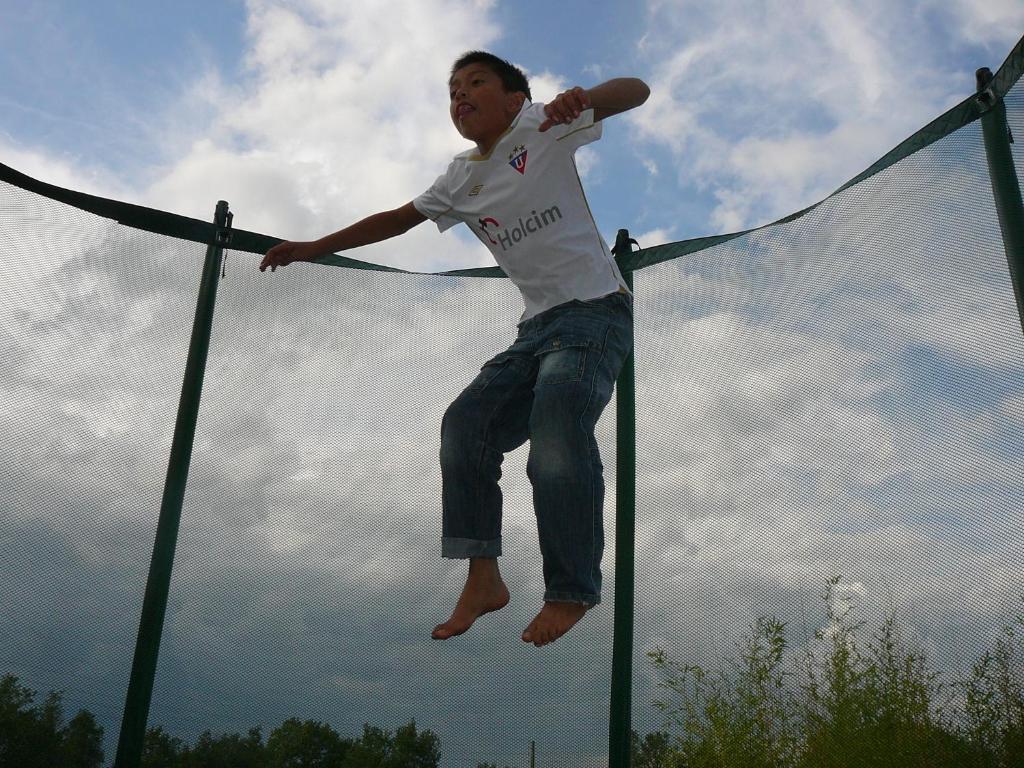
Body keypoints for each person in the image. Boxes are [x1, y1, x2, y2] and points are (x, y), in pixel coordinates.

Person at [261, 51, 649, 647]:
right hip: (537, 328)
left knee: (556, 427)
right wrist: (315, 245)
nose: (460, 95)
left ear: (513, 99)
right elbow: (394, 220)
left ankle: (570, 586)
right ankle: (483, 576)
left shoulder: (541, 126)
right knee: (466, 425)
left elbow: (636, 89)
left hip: (595, 311)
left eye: (476, 84)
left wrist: (584, 97)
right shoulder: (459, 177)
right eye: (452, 90)